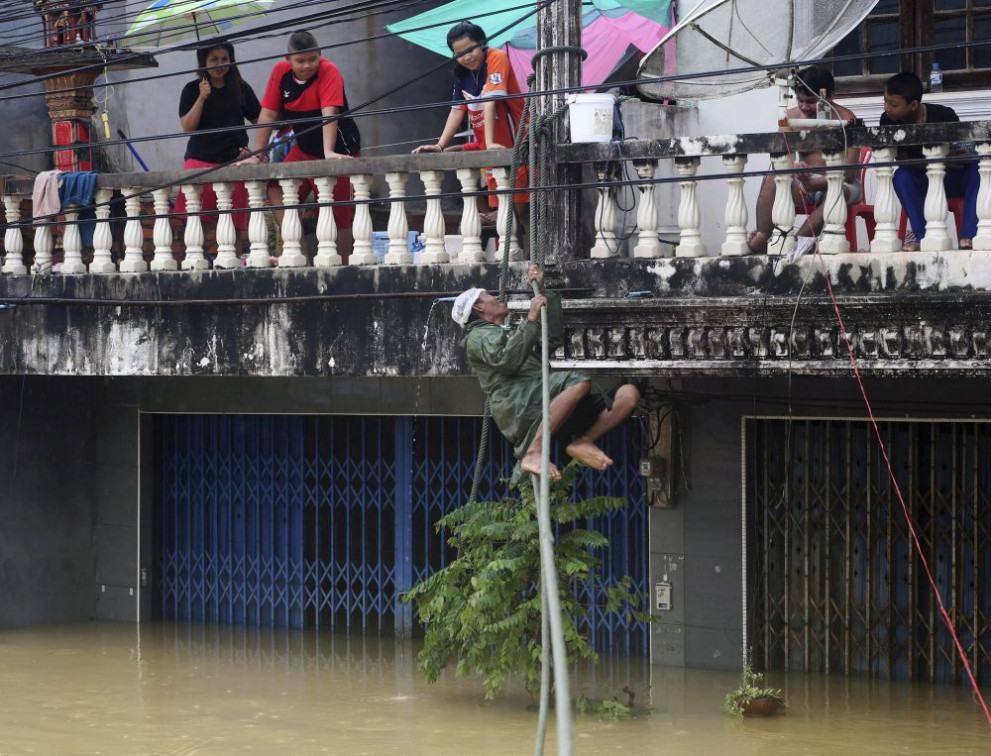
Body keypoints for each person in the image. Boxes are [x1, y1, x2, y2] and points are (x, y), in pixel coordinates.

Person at [453, 265, 640, 480]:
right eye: (489, 296)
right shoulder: (477, 337)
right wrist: (531, 318)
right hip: (522, 404)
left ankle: (583, 441)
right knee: (577, 381)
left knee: (629, 394)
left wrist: (543, 292)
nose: (496, 297)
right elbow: (506, 361)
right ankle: (534, 450)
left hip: (546, 398)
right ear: (479, 308)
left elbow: (551, 339)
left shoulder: (510, 330)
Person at [254, 30, 361, 261]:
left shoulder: (329, 70)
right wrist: (258, 155)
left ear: (320, 55)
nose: (307, 66)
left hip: (340, 150)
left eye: (312, 59)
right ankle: (298, 258)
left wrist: (329, 152)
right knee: (276, 188)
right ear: (288, 60)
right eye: (300, 61)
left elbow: (329, 114)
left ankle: (340, 269)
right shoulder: (280, 73)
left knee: (337, 215)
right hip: (303, 150)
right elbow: (268, 114)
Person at [413, 21, 528, 234]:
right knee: (507, 218)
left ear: (482, 44)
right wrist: (439, 145)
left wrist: (492, 143)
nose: (467, 57)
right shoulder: (462, 74)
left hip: (516, 145)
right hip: (491, 152)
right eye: (460, 53)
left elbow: (490, 100)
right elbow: (457, 110)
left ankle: (533, 264)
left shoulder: (497, 58)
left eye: (470, 49)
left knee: (523, 214)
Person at [748, 66, 861, 254]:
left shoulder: (847, 119)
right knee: (771, 178)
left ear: (828, 97)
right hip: (803, 183)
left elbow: (848, 174)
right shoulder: (790, 117)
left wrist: (814, 183)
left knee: (836, 189)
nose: (804, 106)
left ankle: (798, 243)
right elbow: (782, 159)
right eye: (800, 100)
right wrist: (797, 170)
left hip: (841, 184)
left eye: (810, 101)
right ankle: (762, 237)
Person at [880, 71, 979, 251]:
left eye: (893, 104)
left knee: (977, 170)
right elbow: (902, 161)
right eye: (885, 101)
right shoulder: (888, 120)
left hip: (951, 179)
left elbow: (958, 151)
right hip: (921, 181)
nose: (887, 107)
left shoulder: (944, 115)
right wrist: (937, 162)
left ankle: (969, 235)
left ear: (913, 104)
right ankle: (923, 237)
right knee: (901, 176)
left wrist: (962, 155)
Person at [174, 41, 261, 247]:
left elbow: (261, 120)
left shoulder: (241, 88)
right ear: (203, 62)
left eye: (224, 59)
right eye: (213, 60)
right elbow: (188, 127)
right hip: (199, 163)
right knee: (197, 226)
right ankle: (196, 269)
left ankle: (234, 273)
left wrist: (254, 153)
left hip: (235, 164)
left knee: (233, 228)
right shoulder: (192, 89)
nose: (220, 65)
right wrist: (202, 98)